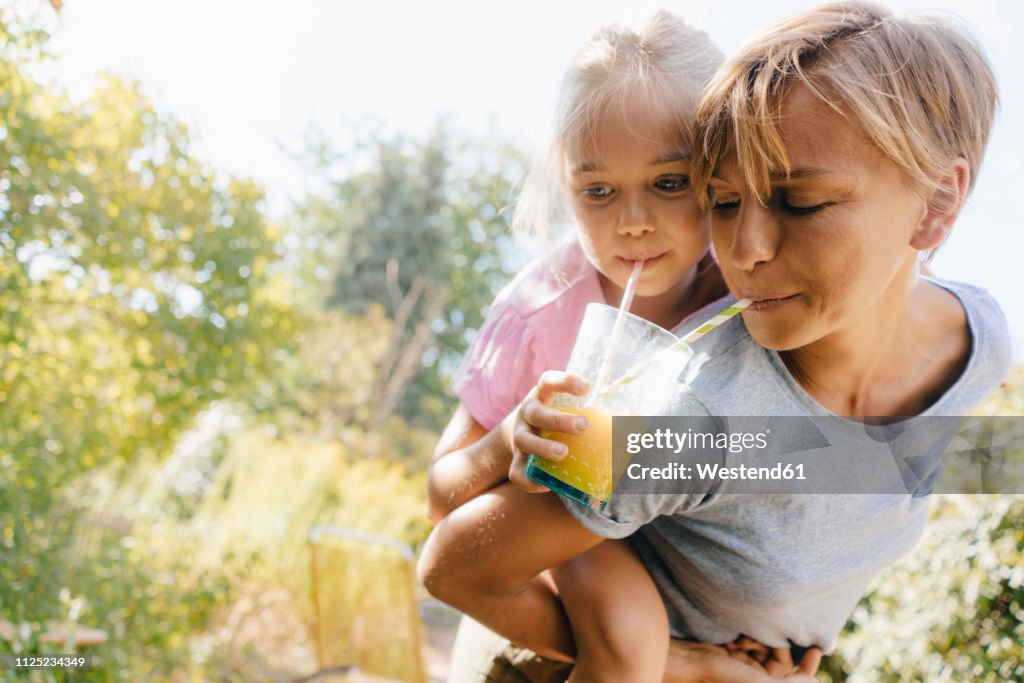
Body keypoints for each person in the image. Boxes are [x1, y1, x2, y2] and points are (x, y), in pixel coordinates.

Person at [419, 2, 1011, 682]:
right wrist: (682, 662)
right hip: (563, 618)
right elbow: (450, 540)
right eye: (726, 201)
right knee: (626, 630)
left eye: (673, 185)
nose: (745, 251)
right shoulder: (664, 391)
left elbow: (850, 460)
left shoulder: (977, 337)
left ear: (938, 202)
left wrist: (800, 604)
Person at [424, 10, 796, 683]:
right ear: (564, 187)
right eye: (598, 191)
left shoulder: (750, 297)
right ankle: (675, 662)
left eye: (670, 182)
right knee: (618, 607)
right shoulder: (543, 307)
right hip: (560, 574)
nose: (632, 222)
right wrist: (510, 439)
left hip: (697, 578)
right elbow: (439, 496)